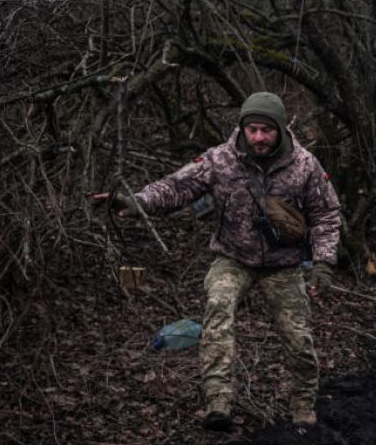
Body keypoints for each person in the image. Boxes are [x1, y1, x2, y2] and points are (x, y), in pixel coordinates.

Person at [94, 92, 340, 429]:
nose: (258, 137)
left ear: (280, 129)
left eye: (265, 130)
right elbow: (176, 186)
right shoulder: (220, 159)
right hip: (232, 257)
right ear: (242, 128)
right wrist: (137, 202)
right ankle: (218, 401)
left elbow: (326, 215)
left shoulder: (305, 165)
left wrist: (324, 264)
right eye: (252, 129)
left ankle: (302, 404)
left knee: (297, 337)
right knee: (218, 309)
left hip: (283, 265)